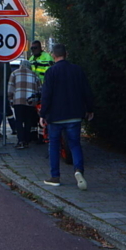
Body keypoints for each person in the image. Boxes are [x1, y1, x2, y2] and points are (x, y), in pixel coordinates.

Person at [38, 43, 94, 190]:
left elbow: (46, 95)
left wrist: (43, 114)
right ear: (66, 54)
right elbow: (86, 91)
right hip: (75, 115)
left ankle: (55, 176)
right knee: (75, 144)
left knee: (54, 145)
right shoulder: (77, 70)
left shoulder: (51, 72)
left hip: (55, 117)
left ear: (53, 55)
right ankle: (78, 171)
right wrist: (89, 109)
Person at [7, 59, 40, 149]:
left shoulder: (14, 73)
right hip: (30, 101)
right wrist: (36, 101)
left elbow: (10, 87)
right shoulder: (34, 75)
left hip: (18, 100)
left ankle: (20, 141)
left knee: (19, 121)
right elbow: (38, 89)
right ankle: (26, 140)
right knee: (28, 121)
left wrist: (10, 98)